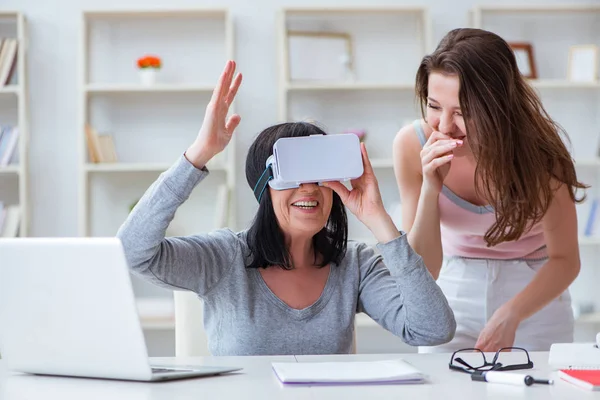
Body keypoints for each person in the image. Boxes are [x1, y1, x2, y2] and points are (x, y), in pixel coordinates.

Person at [117, 60, 456, 356]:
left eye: (320, 174)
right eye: (294, 174)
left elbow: (432, 330)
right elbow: (131, 252)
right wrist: (198, 155)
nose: (309, 186)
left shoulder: (355, 265)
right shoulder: (223, 258)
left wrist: (378, 220)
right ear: (264, 186)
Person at [393, 28, 587, 353]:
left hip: (534, 298)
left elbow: (566, 260)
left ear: (496, 106)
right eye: (434, 106)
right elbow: (425, 268)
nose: (443, 126)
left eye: (462, 112)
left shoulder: (542, 158)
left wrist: (512, 313)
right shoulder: (412, 145)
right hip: (452, 288)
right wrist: (432, 186)